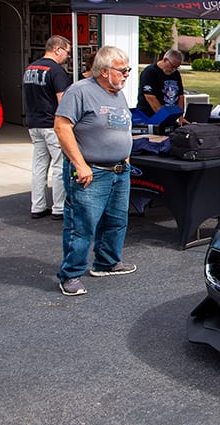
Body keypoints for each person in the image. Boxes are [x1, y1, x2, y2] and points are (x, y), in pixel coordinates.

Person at [54, 46, 136, 296]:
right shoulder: (79, 91)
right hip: (93, 171)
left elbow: (121, 128)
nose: (127, 74)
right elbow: (61, 127)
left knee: (116, 220)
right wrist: (80, 165)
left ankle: (107, 262)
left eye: (128, 69)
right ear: (104, 71)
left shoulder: (117, 92)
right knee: (82, 225)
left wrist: (126, 157)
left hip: (119, 170)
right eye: (122, 70)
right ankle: (70, 275)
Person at [22, 35, 73, 220]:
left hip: (34, 123)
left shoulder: (30, 68)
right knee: (59, 166)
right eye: (67, 52)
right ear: (57, 49)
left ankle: (38, 205)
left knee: (39, 166)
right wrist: (68, 124)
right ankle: (59, 208)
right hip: (52, 124)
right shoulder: (56, 71)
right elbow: (62, 99)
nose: (67, 56)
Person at [137, 49, 186, 123]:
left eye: (177, 67)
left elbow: (180, 96)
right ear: (165, 60)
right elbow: (150, 98)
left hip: (169, 116)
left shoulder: (176, 74)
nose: (174, 70)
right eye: (172, 66)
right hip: (150, 116)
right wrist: (164, 117)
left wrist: (180, 117)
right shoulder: (150, 72)